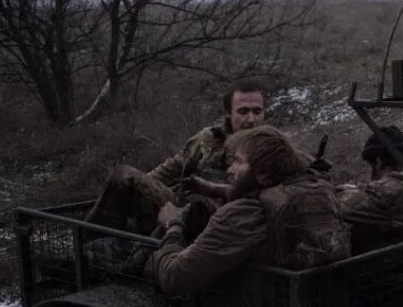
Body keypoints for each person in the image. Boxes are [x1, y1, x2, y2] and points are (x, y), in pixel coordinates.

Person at [151, 126, 348, 295]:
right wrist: (216, 189)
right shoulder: (322, 190)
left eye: (238, 161)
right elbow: (267, 193)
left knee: (155, 262)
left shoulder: (244, 214)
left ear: (263, 173)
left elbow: (175, 278)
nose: (229, 170)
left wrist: (173, 226)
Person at [85, 81, 267, 234]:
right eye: (243, 112)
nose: (251, 119)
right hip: (181, 209)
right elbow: (170, 169)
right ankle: (86, 246)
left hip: (223, 222)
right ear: (228, 112)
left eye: (257, 112)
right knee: (124, 177)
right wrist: (140, 192)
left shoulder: (273, 149)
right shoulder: (208, 139)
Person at [337, 126, 403, 251]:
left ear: (378, 162)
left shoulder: (388, 192)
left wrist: (337, 190)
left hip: (395, 265)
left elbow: (341, 207)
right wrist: (360, 188)